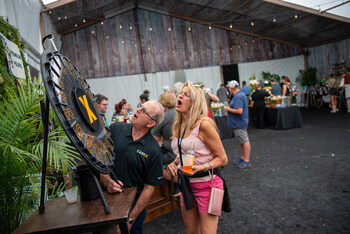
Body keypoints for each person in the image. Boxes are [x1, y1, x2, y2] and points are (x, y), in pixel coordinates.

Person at [166, 81, 228, 234]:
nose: (180, 95)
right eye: (180, 93)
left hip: (208, 185)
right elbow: (182, 152)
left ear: (194, 101)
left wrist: (201, 167)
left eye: (186, 94)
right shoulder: (178, 124)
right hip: (186, 186)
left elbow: (223, 158)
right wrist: (174, 163)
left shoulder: (204, 124)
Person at [100, 100, 164, 234]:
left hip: (133, 206)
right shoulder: (115, 129)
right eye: (140, 106)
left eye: (144, 111)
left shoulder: (153, 150)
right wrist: (107, 181)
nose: (138, 110)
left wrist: (130, 219)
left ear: (151, 123)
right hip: (104, 201)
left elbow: (149, 188)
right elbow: (100, 160)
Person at [223, 80, 251, 168]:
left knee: (244, 141)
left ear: (231, 88)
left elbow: (239, 111)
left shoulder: (238, 97)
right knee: (242, 141)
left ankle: (246, 160)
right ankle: (243, 158)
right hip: (239, 122)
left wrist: (228, 109)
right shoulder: (239, 95)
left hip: (239, 123)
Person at [152, 93, 177, 169]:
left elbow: (154, 139)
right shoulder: (179, 112)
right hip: (182, 153)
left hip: (171, 154)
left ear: (163, 105)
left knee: (150, 160)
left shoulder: (164, 116)